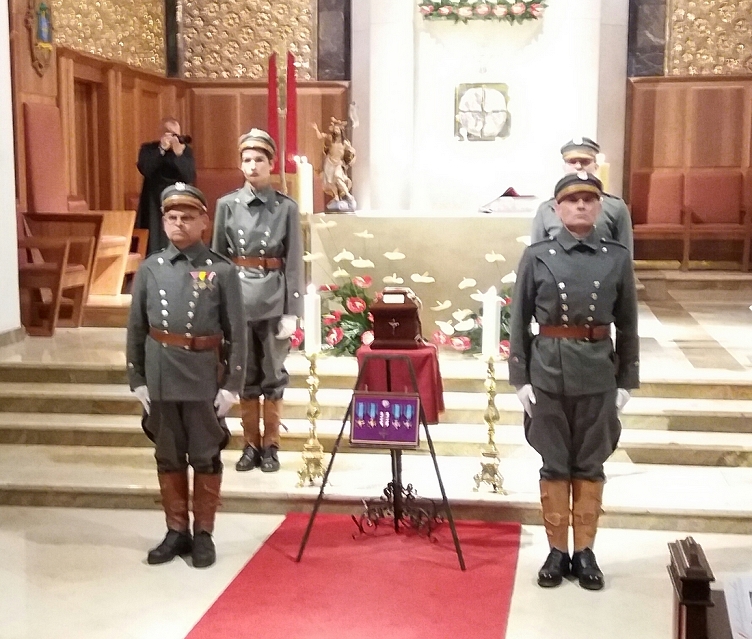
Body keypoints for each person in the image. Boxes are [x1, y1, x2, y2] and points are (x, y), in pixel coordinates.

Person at [509, 172, 639, 591]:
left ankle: (584, 552)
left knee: (591, 463)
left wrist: (626, 380)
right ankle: (556, 551)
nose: (581, 205)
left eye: (589, 199)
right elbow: (518, 319)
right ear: (557, 208)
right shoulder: (537, 255)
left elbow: (628, 323)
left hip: (598, 373)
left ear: (600, 207)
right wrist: (520, 377)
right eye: (572, 200)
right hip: (548, 371)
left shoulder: (616, 256)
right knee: (553, 462)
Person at [126, 183, 246, 568]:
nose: (179, 223)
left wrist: (232, 385)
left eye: (187, 217)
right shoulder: (151, 268)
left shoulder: (220, 269)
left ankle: (204, 533)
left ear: (203, 222)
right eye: (172, 217)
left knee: (206, 456)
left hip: (202, 377)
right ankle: (176, 531)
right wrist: (137, 378)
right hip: (161, 376)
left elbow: (236, 331)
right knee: (168, 455)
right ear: (164, 221)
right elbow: (136, 328)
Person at [212, 128, 304, 474]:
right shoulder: (226, 206)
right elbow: (219, 260)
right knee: (244, 374)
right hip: (238, 299)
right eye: (247, 160)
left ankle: (271, 445)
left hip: (273, 298)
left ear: (271, 163)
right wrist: (217, 306)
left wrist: (292, 312)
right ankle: (250, 444)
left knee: (272, 374)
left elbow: (293, 262)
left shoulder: (285, 207)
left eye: (259, 160)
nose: (252, 166)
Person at [530, 137, 633, 254]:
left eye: (585, 162)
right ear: (564, 167)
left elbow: (625, 255)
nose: (578, 166)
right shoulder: (546, 209)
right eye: (572, 162)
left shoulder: (615, 207)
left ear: (596, 166)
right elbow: (536, 255)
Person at [136, 118, 197, 255]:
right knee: (153, 241)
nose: (175, 138)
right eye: (171, 134)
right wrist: (161, 149)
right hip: (153, 204)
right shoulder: (148, 149)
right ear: (162, 134)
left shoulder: (185, 152)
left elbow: (189, 176)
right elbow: (145, 168)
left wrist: (179, 155)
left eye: (177, 135)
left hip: (177, 202)